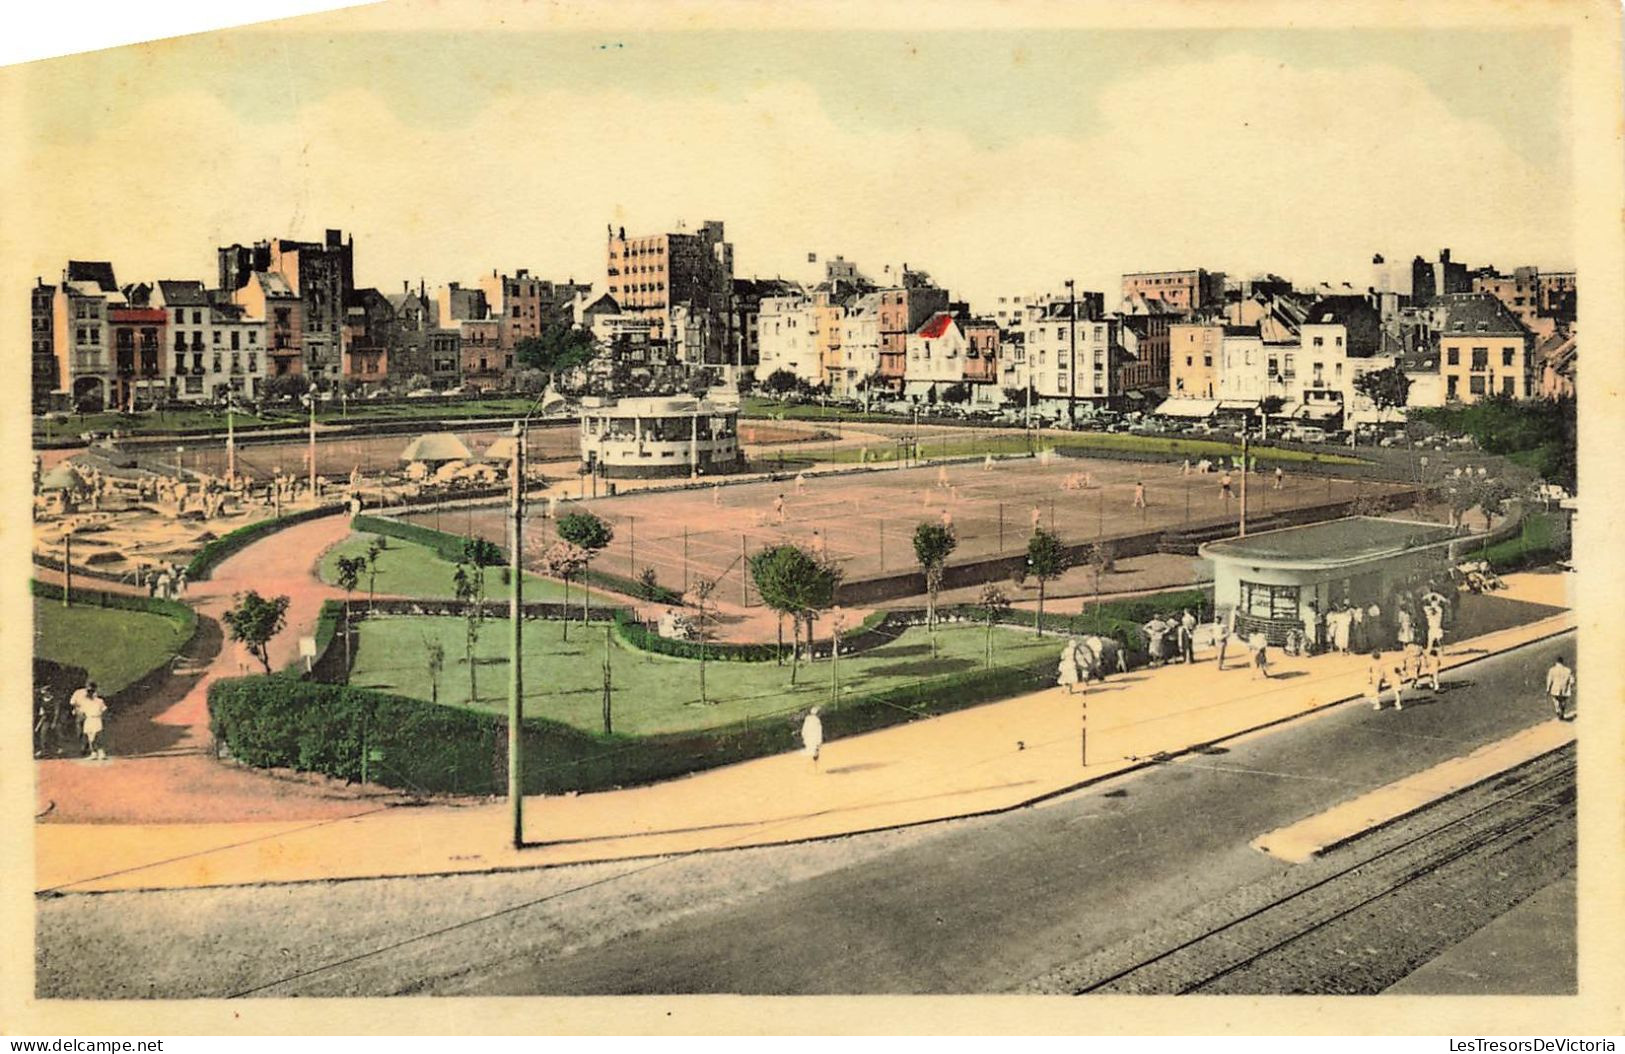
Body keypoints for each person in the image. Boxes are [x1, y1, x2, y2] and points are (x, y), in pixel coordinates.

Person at [1545, 656, 1575, 721]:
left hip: (1555, 688)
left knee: (1556, 701)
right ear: (1562, 662)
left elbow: (1550, 680)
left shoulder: (1552, 670)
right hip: (1564, 689)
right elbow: (1572, 680)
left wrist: (1548, 688)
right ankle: (1562, 713)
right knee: (1563, 702)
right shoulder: (1568, 670)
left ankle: (1558, 710)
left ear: (1556, 662)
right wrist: (1570, 685)